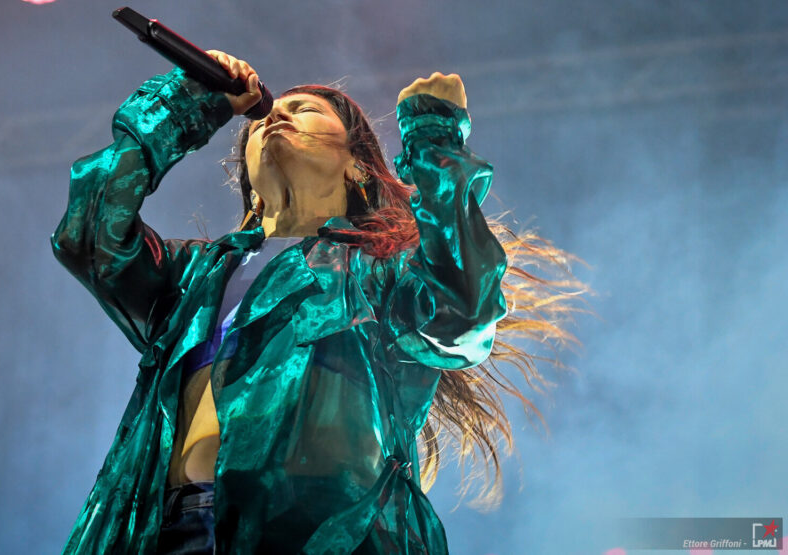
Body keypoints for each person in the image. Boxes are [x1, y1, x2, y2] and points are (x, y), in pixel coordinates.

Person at [51, 51, 583, 554]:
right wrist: (189, 101)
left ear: (355, 166)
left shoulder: (379, 273)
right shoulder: (192, 277)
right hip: (157, 531)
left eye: (304, 110)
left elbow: (461, 315)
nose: (276, 115)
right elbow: (89, 235)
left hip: (320, 535)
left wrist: (434, 140)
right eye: (262, 121)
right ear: (252, 186)